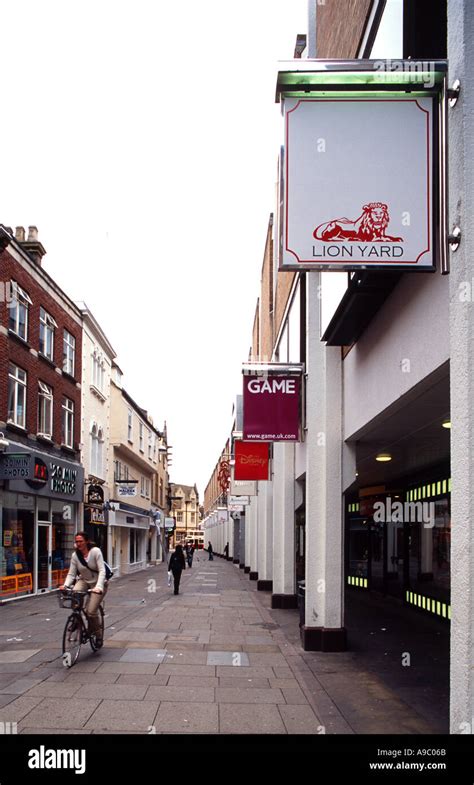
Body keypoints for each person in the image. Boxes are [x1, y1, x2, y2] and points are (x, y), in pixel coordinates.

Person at [59, 531, 108, 646]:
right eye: (76, 541)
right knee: (74, 594)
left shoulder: (95, 552)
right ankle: (76, 619)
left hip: (98, 583)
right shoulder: (75, 556)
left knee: (90, 612)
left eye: (81, 541)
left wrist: (99, 587)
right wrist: (66, 585)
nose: (78, 543)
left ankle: (98, 634)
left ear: (86, 541)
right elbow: (71, 574)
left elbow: (102, 570)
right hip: (84, 580)